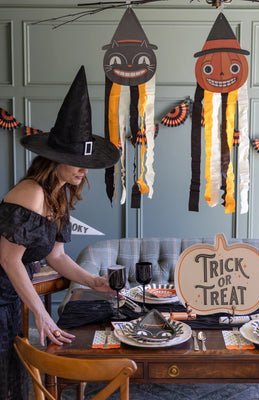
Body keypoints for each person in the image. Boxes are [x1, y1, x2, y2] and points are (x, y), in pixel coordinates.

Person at [0, 65, 120, 400]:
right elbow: (9, 260)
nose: (84, 169)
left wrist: (93, 281)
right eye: (75, 161)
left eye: (86, 162)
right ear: (54, 159)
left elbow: (56, 256)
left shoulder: (58, 195)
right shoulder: (32, 193)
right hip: (0, 294)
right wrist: (41, 314)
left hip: (9, 297)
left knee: (14, 377)